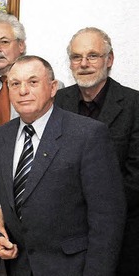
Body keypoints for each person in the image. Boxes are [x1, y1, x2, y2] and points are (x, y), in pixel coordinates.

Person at [0, 55, 126, 275]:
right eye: (15, 84)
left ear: (53, 88)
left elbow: (107, 219)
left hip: (72, 268)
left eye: (33, 82)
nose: (23, 90)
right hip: (18, 266)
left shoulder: (87, 134)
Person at [54, 27, 139, 275]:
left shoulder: (135, 105)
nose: (84, 64)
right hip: (64, 237)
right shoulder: (56, 102)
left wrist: (96, 209)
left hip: (123, 235)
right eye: (76, 57)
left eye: (93, 55)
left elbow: (136, 176)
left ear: (109, 60)